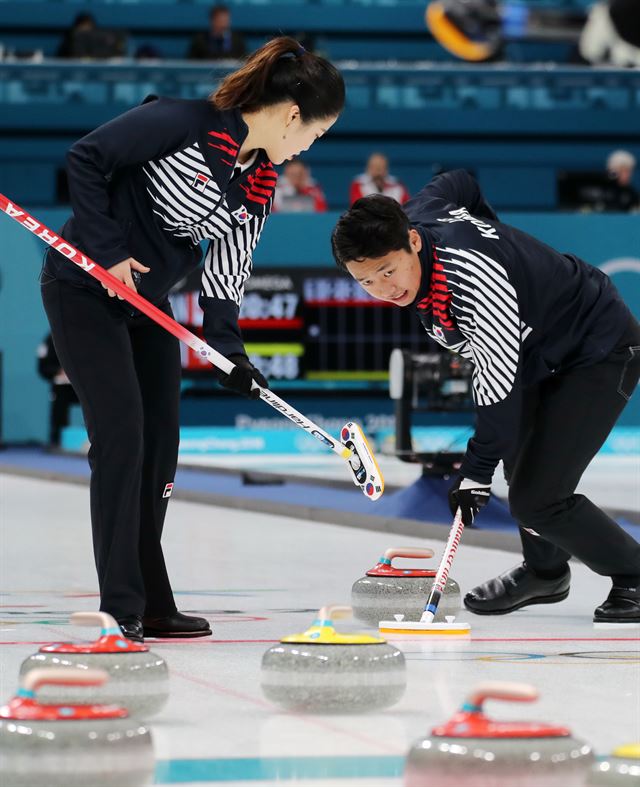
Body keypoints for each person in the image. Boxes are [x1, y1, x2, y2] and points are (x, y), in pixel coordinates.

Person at [40, 37, 344, 642]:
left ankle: (153, 601)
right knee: (122, 439)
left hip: (147, 308)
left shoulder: (257, 183)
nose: (310, 146)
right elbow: (87, 157)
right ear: (291, 115)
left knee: (160, 453)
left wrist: (231, 352)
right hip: (83, 290)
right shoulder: (181, 122)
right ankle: (119, 605)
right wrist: (108, 251)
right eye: (315, 133)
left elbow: (227, 268)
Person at [331, 169, 640, 625]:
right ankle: (545, 572)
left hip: (597, 348)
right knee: (519, 463)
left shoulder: (476, 283)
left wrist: (473, 473)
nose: (384, 289)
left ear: (413, 242)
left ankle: (633, 572)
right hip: (540, 351)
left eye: (388, 271)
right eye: (367, 281)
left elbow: (497, 390)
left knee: (538, 498)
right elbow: (458, 181)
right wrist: (495, 231)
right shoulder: (417, 215)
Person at [37, 333, 79, 446]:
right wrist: (58, 371)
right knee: (59, 410)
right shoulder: (49, 340)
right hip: (61, 386)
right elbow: (42, 367)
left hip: (84, 384)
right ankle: (57, 441)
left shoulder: (85, 336)